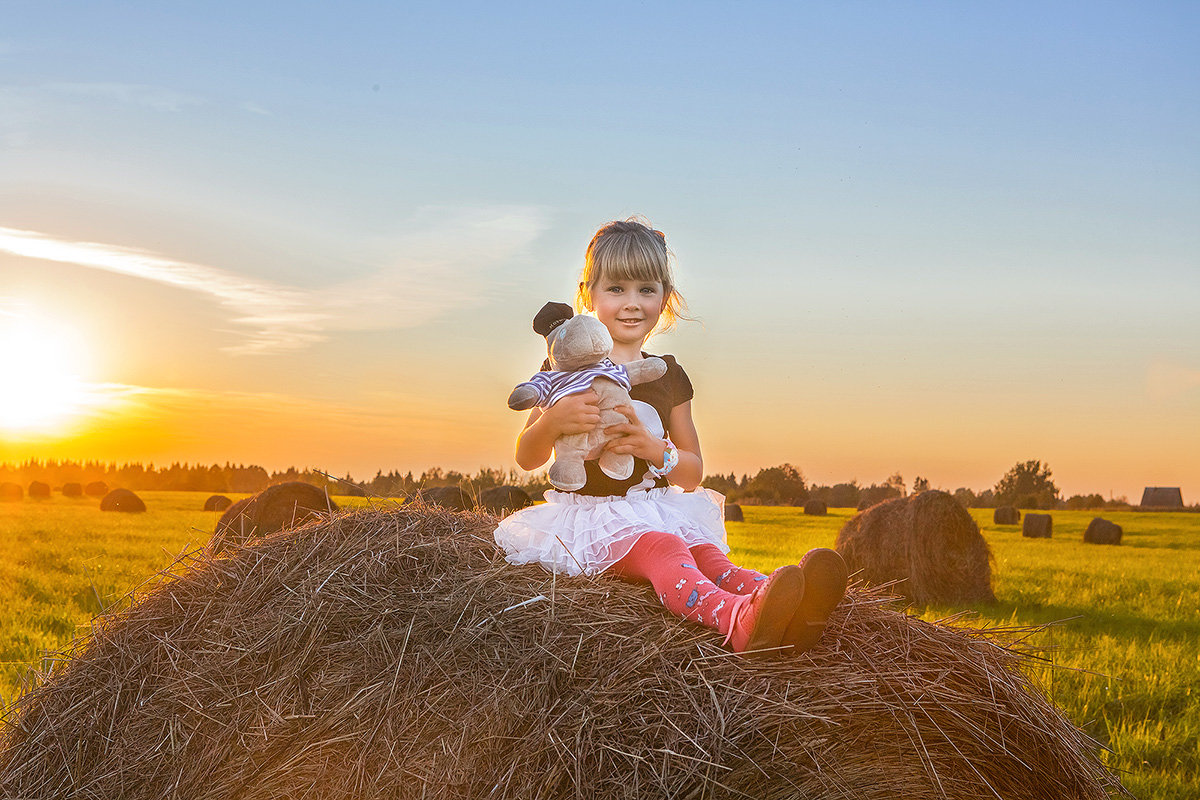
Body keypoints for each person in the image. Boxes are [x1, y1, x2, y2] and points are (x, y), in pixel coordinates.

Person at [494, 219, 847, 655]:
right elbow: (527, 457)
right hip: (596, 522)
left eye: (646, 289)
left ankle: (785, 602)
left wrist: (651, 447)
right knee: (665, 550)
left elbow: (693, 473)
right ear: (588, 294)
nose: (631, 303)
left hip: (660, 508)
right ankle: (736, 621)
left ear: (665, 297)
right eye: (616, 289)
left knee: (708, 555)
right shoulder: (565, 370)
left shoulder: (670, 375)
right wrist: (552, 422)